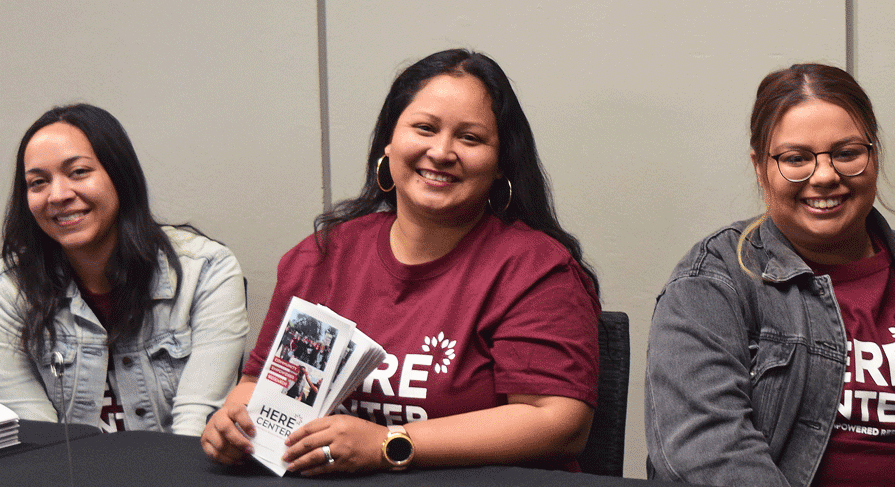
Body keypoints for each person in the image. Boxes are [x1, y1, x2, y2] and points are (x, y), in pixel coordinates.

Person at [201, 49, 601, 476]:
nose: (442, 151)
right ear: (389, 142)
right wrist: (234, 423)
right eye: (424, 128)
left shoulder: (536, 269)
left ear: (501, 162)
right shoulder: (322, 256)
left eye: (470, 138)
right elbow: (259, 386)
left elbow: (556, 422)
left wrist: (388, 445)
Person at [645, 63, 895, 487]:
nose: (825, 176)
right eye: (796, 158)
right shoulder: (712, 282)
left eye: (846, 153)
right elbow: (706, 449)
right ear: (759, 166)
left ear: (874, 154)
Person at [0, 103, 250, 436]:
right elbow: (39, 438)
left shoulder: (206, 271)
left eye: (79, 172)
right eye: (38, 182)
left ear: (119, 174)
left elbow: (193, 430)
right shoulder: (9, 289)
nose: (57, 195)